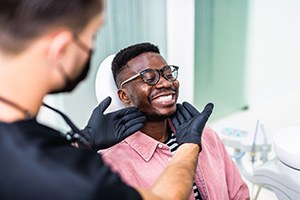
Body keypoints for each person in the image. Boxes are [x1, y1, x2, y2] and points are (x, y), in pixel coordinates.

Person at [0, 0, 214, 199]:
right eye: (92, 36)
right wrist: (188, 145)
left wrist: (83, 140)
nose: (91, 50)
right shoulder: (77, 177)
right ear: (62, 49)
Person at [100, 42, 250, 200]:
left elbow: (239, 194)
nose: (166, 83)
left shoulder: (203, 134)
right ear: (124, 96)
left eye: (168, 74)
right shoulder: (112, 165)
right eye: (149, 78)